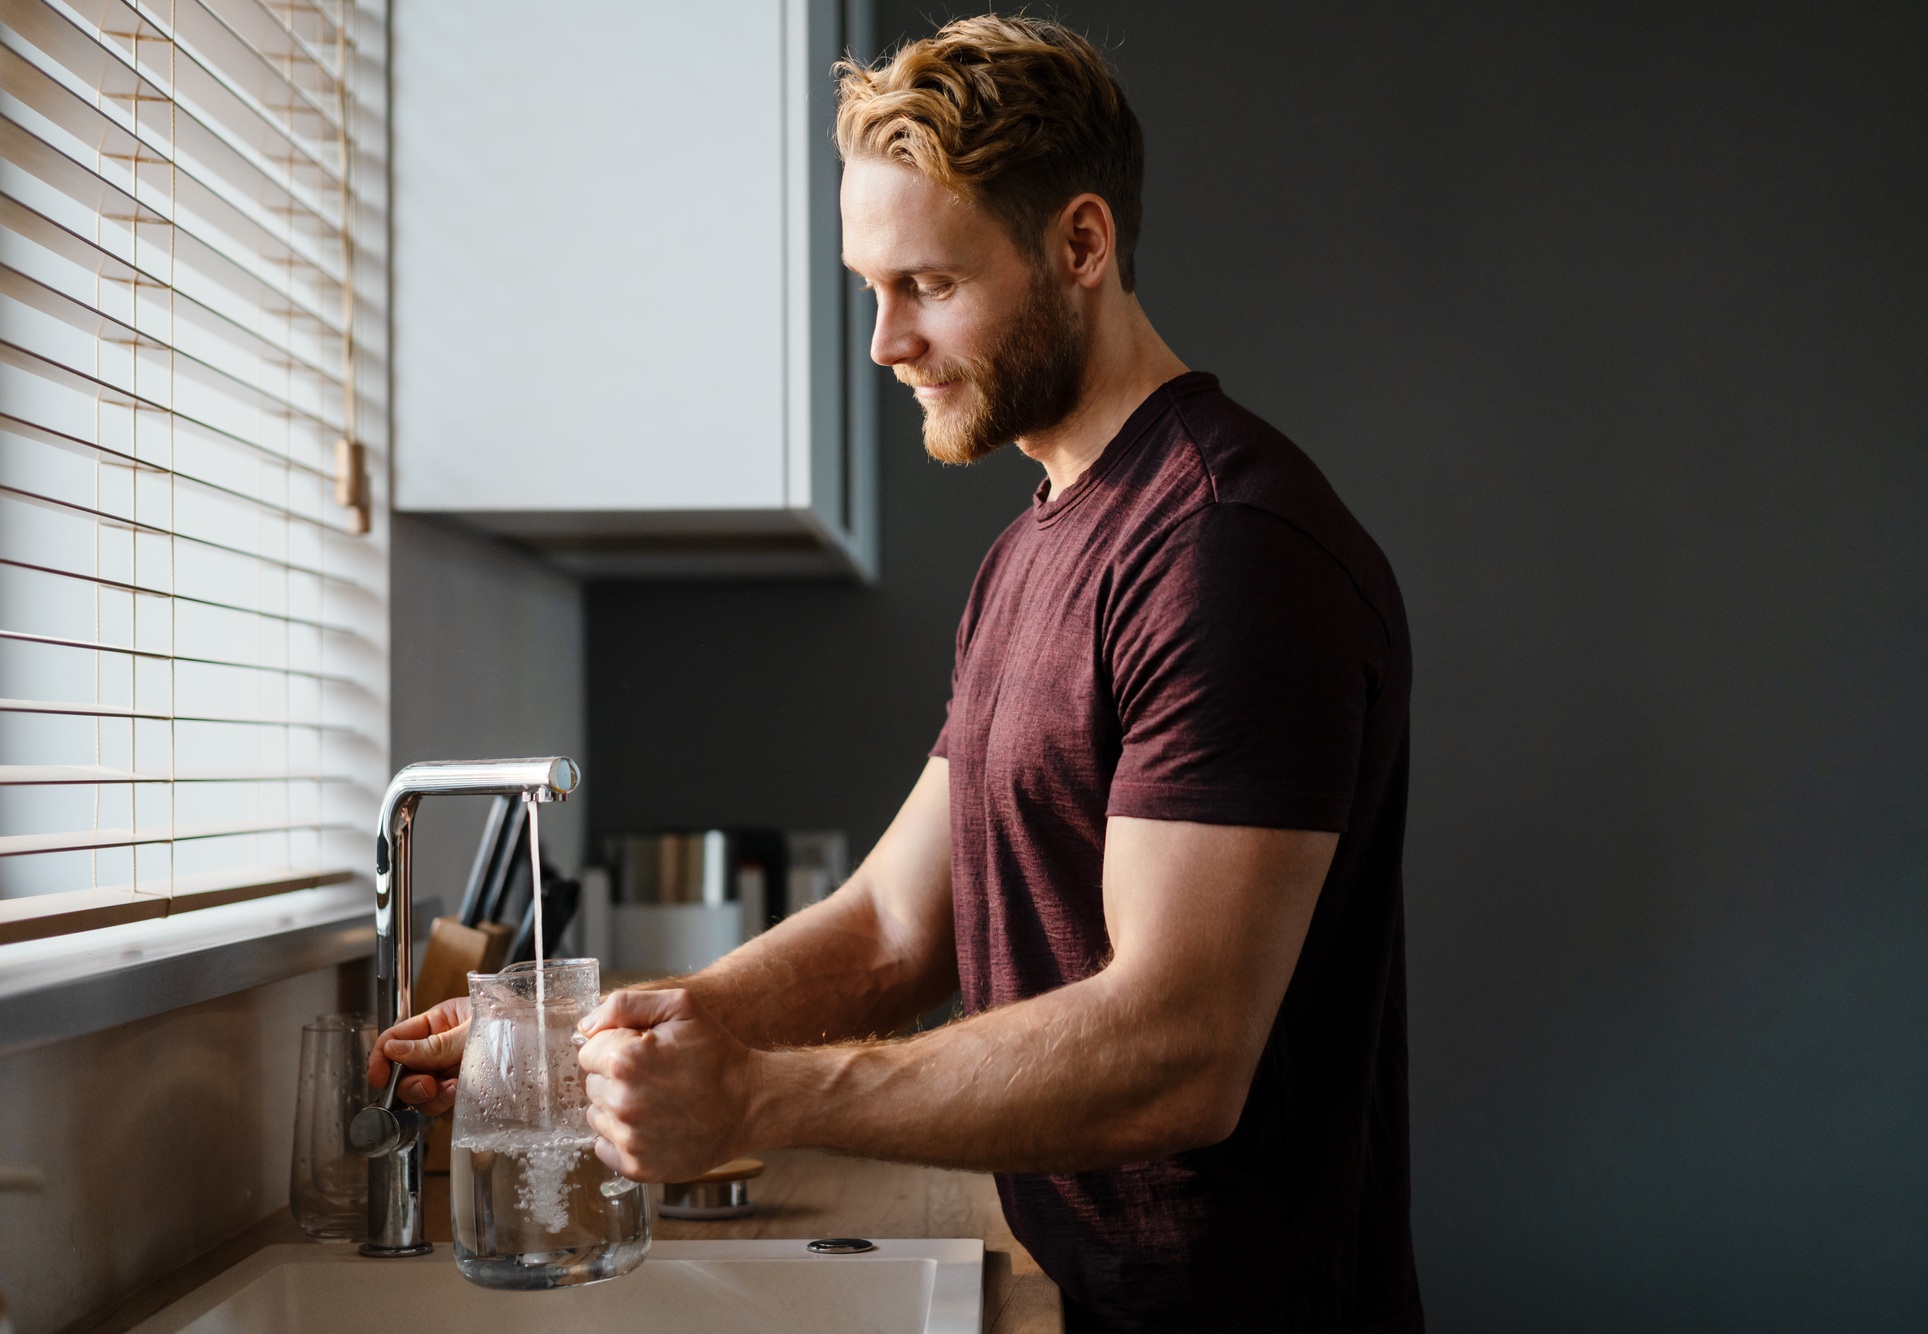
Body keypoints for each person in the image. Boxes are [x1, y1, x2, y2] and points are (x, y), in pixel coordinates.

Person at [371, 15, 1421, 1332]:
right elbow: (893, 927)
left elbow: (1179, 1046)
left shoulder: (1226, 548)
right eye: (873, 287)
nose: (885, 343)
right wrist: (594, 1048)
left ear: (1081, 245)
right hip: (1082, 1290)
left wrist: (759, 1096)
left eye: (926, 284)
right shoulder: (1033, 551)